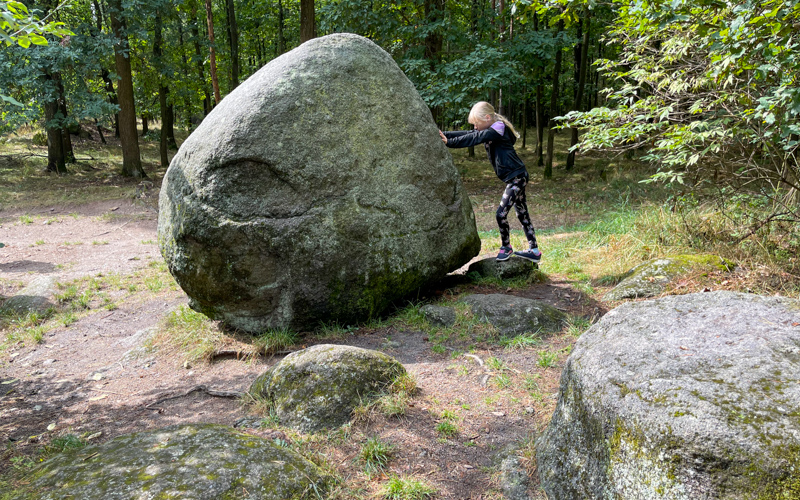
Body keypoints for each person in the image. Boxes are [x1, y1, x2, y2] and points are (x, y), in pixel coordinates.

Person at [439, 101, 542, 263]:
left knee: (501, 214)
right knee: (522, 212)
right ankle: (534, 250)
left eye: (476, 124)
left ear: (487, 118)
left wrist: (449, 143)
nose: (475, 127)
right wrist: (443, 134)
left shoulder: (498, 128)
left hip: (518, 177)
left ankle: (506, 247)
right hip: (515, 177)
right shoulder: (491, 128)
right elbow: (468, 133)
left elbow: (475, 137)